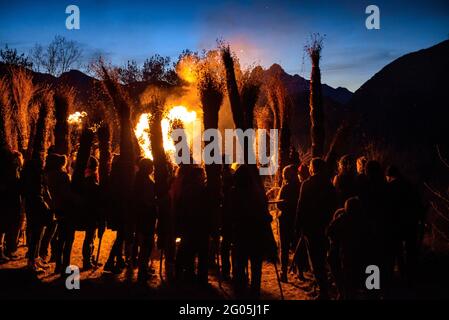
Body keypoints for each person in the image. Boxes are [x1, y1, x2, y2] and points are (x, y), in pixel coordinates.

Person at [231, 165, 277, 298]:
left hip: (240, 235)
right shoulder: (257, 193)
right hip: (256, 235)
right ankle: (254, 291)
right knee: (256, 266)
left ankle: (240, 291)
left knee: (240, 264)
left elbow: (231, 213)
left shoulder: (234, 192)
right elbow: (263, 214)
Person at [296, 158, 337, 299]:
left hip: (311, 228)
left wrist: (298, 226)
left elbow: (300, 207)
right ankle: (322, 288)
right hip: (325, 227)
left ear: (312, 168)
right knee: (323, 258)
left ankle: (323, 291)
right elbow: (334, 206)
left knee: (315, 260)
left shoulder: (307, 184)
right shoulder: (329, 185)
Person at [386, 165, 425, 285]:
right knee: (411, 250)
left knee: (397, 250)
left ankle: (402, 275)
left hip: (396, 224)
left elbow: (388, 207)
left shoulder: (390, 187)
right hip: (411, 223)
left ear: (389, 176)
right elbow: (419, 204)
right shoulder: (409, 185)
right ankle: (411, 276)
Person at [327, 197, 371, 299]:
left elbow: (329, 231)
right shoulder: (365, 219)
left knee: (349, 282)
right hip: (364, 257)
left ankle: (345, 294)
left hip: (348, 257)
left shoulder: (344, 219)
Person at [175, 166, 210, 285]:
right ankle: (200, 278)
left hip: (188, 226)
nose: (204, 176)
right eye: (202, 174)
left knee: (188, 251)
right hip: (198, 225)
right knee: (201, 252)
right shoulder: (202, 190)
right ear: (198, 176)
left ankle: (188, 275)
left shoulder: (186, 189)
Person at [45, 153, 80, 274]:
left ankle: (58, 264)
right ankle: (66, 265)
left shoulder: (48, 175)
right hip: (67, 209)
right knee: (68, 238)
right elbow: (67, 193)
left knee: (60, 238)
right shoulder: (62, 176)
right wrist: (78, 199)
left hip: (57, 208)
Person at [21, 157, 53, 273]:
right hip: (37, 206)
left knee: (37, 233)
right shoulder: (37, 177)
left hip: (31, 206)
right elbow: (40, 193)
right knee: (37, 234)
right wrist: (47, 207)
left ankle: (34, 259)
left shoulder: (29, 177)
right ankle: (32, 262)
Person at [133, 158, 158, 282]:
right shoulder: (146, 182)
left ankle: (143, 269)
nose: (153, 168)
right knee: (146, 246)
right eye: (151, 166)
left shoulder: (137, 179)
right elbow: (147, 200)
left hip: (140, 216)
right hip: (146, 217)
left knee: (144, 244)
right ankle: (143, 271)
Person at [276, 164, 300, 282]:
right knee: (296, 246)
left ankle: (283, 272)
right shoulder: (300, 186)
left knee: (284, 247)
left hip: (285, 219)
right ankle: (299, 271)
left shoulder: (285, 188)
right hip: (296, 220)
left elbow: (279, 204)